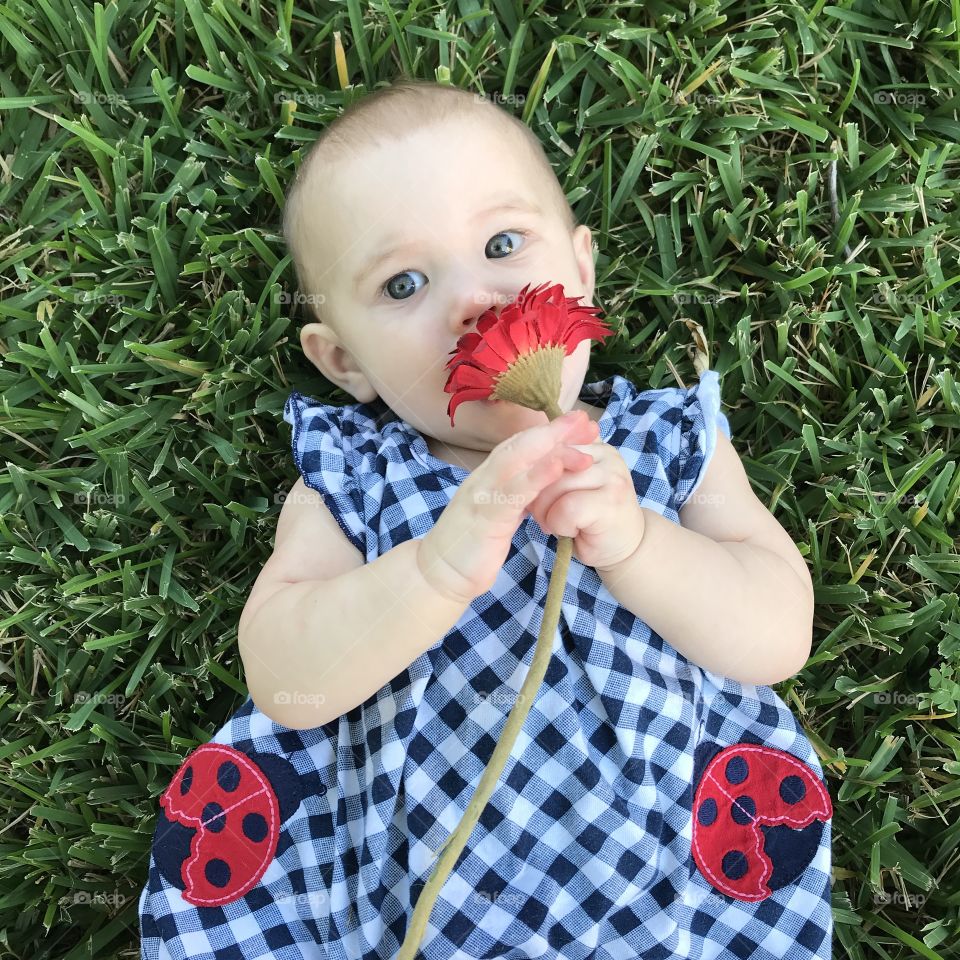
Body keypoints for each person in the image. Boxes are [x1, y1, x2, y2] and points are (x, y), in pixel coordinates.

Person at [139, 78, 833, 959]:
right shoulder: (354, 475)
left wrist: (639, 543)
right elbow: (286, 679)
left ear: (580, 270)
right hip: (395, 901)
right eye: (405, 283)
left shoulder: (663, 443)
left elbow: (778, 633)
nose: (473, 300)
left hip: (667, 891)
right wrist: (430, 572)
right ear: (345, 359)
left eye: (504, 243)